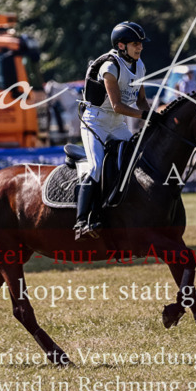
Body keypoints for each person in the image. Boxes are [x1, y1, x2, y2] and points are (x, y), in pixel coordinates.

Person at [74, 21, 160, 240]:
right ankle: (81, 221)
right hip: (95, 122)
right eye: (135, 43)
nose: (140, 47)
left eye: (140, 43)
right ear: (121, 46)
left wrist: (153, 116)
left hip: (117, 123)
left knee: (137, 160)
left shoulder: (140, 65)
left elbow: (141, 101)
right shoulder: (110, 67)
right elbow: (117, 106)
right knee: (96, 166)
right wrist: (145, 116)